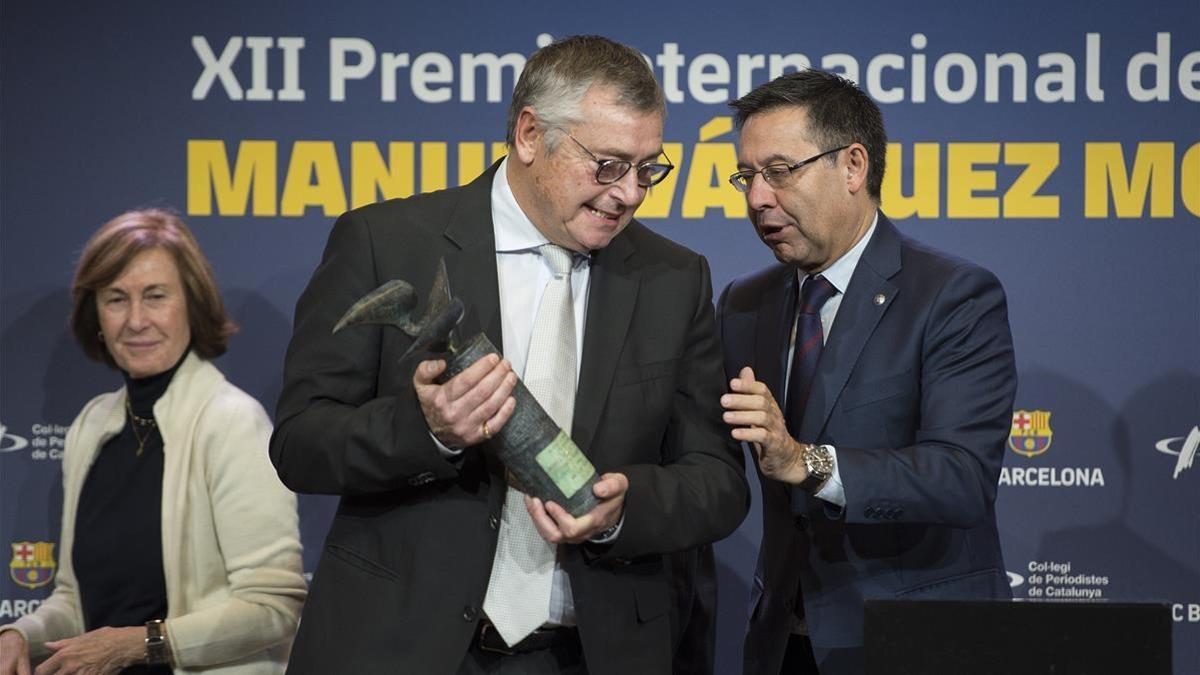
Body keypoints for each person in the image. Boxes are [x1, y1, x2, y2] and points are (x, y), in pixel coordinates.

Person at [270, 35, 748, 674]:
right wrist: (428, 432)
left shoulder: (673, 277)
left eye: (648, 168)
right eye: (608, 164)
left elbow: (716, 480)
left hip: (590, 654)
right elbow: (301, 441)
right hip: (405, 646)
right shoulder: (386, 243)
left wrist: (624, 507)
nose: (631, 193)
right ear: (530, 135)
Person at [718, 70, 1016, 674]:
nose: (756, 198)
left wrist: (807, 461)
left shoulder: (954, 295)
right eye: (747, 176)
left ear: (853, 166)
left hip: (911, 644)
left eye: (779, 171)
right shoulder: (742, 303)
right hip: (782, 647)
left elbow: (960, 476)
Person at [0, 209, 306, 675]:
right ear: (96, 315)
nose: (136, 320)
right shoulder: (92, 425)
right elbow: (73, 601)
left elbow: (272, 609)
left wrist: (139, 644)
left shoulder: (233, 422)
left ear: (193, 304)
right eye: (116, 299)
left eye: (156, 296)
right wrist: (20, 635)